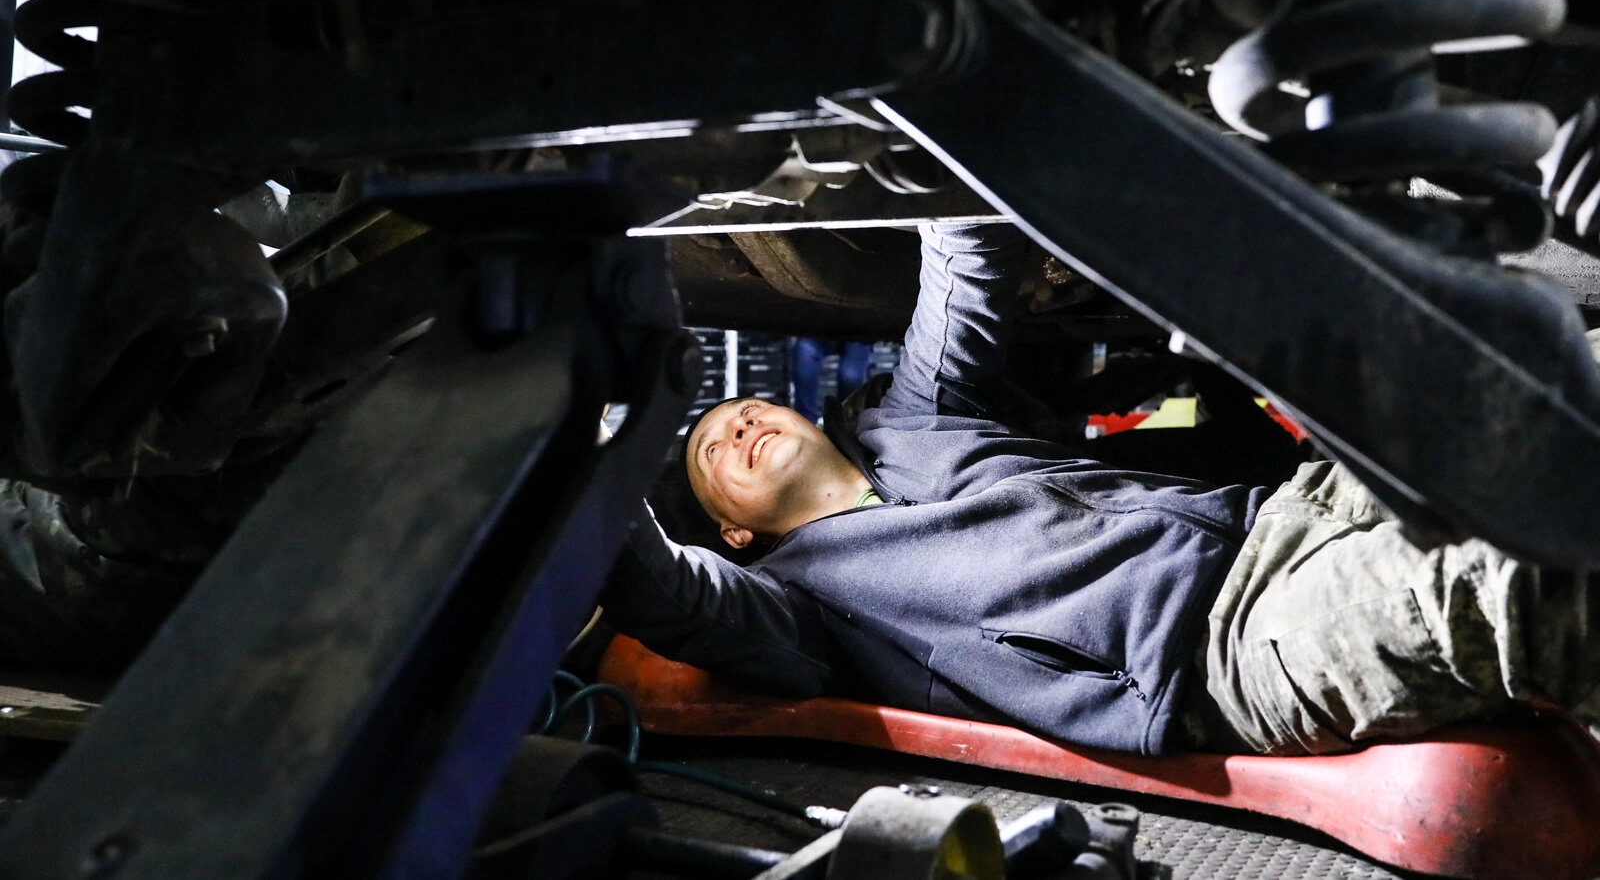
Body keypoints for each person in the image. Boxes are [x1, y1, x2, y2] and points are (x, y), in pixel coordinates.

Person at [601, 222, 1600, 757]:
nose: (735, 420)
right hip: (1227, 650)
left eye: (737, 409)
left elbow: (966, 269)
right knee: (1510, 587)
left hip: (1287, 511)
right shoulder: (798, 609)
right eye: (709, 449)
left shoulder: (911, 418)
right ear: (733, 534)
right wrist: (610, 408)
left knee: (1552, 395)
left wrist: (933, 119)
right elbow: (659, 589)